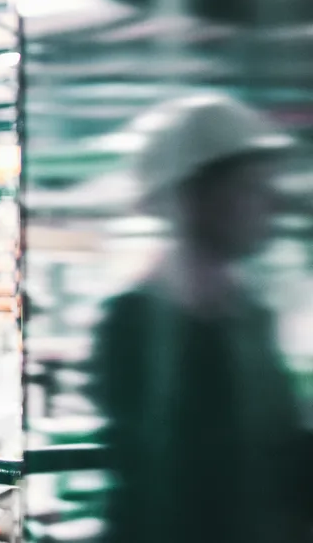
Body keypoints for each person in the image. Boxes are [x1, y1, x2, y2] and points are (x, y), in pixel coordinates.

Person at [87, 94, 312, 543]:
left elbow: (279, 453)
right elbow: (180, 488)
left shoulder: (250, 316)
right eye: (249, 185)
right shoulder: (132, 328)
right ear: (189, 198)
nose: (270, 203)